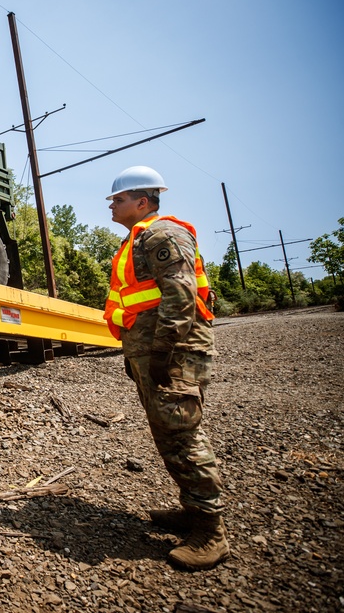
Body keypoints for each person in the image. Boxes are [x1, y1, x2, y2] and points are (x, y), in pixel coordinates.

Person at [103, 166, 229, 571]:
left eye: (118, 199)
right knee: (169, 435)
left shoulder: (162, 235)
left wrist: (162, 353)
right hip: (153, 353)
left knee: (182, 437)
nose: (112, 204)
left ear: (143, 201)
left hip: (172, 353)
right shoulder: (136, 240)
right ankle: (193, 512)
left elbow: (181, 297)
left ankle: (211, 532)